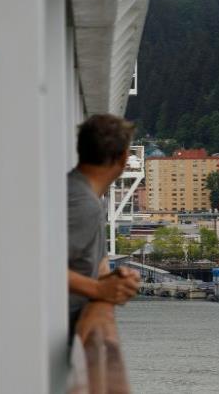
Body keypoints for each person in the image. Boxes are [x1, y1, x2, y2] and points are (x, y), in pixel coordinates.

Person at [68, 114, 141, 343]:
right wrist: (100, 291)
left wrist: (113, 279)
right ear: (122, 158)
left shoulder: (81, 194)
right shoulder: (83, 204)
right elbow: (37, 265)